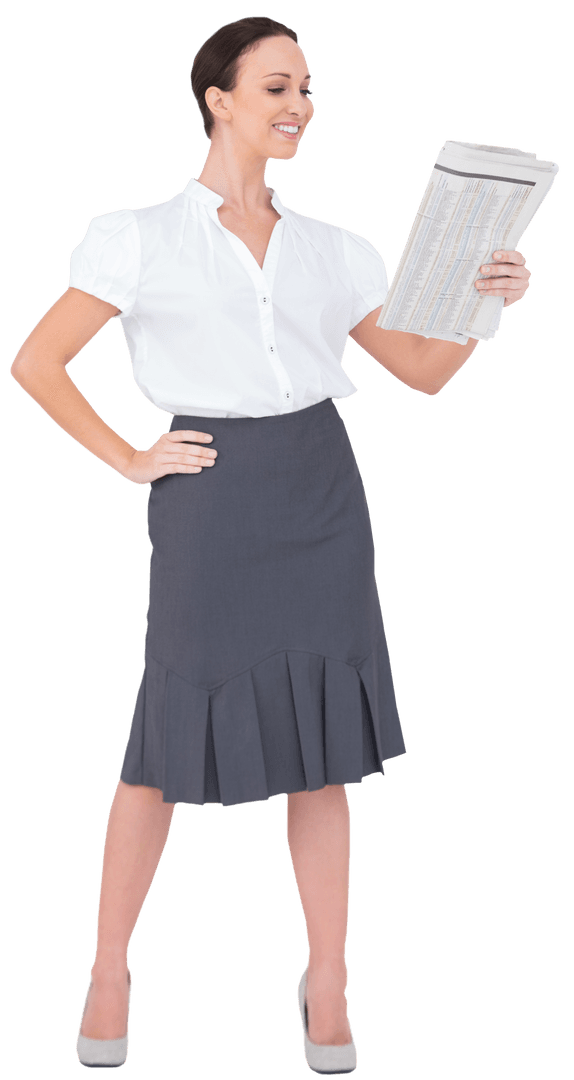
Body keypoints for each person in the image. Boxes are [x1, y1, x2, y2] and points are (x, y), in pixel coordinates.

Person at [9, 15, 531, 1074]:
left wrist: (486, 308)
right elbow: (37, 362)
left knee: (325, 751)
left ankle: (327, 976)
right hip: (207, 495)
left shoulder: (337, 248)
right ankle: (109, 965)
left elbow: (420, 374)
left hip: (323, 493)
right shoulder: (136, 234)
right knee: (162, 737)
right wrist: (127, 457)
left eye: (308, 91)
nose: (300, 106)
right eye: (278, 87)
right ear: (218, 98)